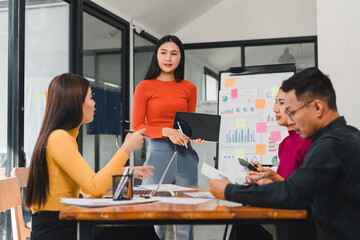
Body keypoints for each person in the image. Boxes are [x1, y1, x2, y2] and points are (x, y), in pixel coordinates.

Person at [209, 67, 360, 240]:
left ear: (317, 107)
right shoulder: (351, 134)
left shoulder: (329, 146)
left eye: (293, 112)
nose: (290, 119)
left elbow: (292, 192)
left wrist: (229, 190)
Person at [25, 73, 159, 240]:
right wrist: (126, 148)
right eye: (90, 98)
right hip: (57, 231)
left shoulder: (62, 137)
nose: (94, 103)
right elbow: (93, 187)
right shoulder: (59, 138)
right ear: (75, 103)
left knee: (137, 227)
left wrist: (125, 170)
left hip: (64, 224)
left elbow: (86, 187)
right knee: (139, 228)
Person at [132, 35, 203, 240]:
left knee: (186, 218)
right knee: (155, 219)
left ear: (181, 58)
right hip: (157, 156)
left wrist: (194, 135)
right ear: (156, 55)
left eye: (174, 53)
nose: (168, 58)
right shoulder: (144, 87)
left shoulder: (189, 88)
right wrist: (166, 131)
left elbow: (189, 125)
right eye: (163, 52)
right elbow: (138, 127)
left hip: (186, 156)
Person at [229, 88, 315, 240]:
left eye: (281, 103)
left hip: (297, 222)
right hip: (283, 212)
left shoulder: (308, 143)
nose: (275, 108)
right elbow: (287, 182)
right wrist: (267, 177)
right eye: (276, 102)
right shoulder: (285, 143)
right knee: (243, 219)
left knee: (244, 224)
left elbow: (304, 194)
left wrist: (273, 178)